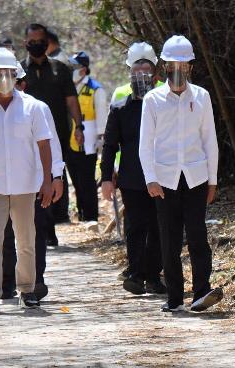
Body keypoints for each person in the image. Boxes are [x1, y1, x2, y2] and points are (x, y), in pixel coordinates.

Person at [139, 35, 223, 312]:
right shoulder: (152, 99)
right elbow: (145, 143)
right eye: (172, 63)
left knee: (198, 236)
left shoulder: (201, 96)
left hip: (196, 177)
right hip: (164, 181)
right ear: (163, 65)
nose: (178, 68)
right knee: (169, 239)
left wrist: (212, 180)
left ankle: (201, 292)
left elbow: (209, 139)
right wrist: (150, 178)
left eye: (183, 64)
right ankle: (174, 297)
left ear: (190, 67)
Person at [0, 47, 53, 314]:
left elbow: (44, 145)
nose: (2, 78)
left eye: (7, 73)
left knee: (26, 239)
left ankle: (27, 290)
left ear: (17, 75)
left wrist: (47, 181)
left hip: (25, 184)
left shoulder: (33, 107)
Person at [100, 44, 166, 296]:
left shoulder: (165, 101)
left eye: (145, 69)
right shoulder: (120, 105)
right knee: (135, 227)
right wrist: (107, 177)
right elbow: (109, 143)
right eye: (135, 70)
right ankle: (136, 273)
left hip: (162, 175)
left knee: (158, 226)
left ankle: (154, 276)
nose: (140, 75)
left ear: (155, 73)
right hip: (130, 176)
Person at [0, 63, 66, 301]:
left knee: (35, 234)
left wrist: (55, 177)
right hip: (3, 184)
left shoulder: (38, 108)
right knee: (6, 235)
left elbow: (53, 144)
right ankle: (6, 284)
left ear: (22, 83)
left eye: (14, 81)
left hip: (35, 183)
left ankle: (35, 282)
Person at [20, 23, 83, 251]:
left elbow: (71, 100)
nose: (37, 44)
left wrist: (79, 125)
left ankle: (54, 223)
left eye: (40, 40)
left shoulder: (60, 69)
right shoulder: (18, 71)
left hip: (57, 134)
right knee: (33, 178)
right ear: (25, 42)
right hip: (25, 138)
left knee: (55, 173)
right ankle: (40, 229)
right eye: (32, 40)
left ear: (47, 43)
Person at [68, 51, 107, 222]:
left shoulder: (95, 88)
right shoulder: (68, 87)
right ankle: (81, 212)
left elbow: (102, 115)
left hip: (88, 140)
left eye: (74, 67)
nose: (71, 70)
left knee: (87, 180)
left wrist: (101, 138)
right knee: (75, 179)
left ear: (83, 70)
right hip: (69, 139)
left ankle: (91, 216)